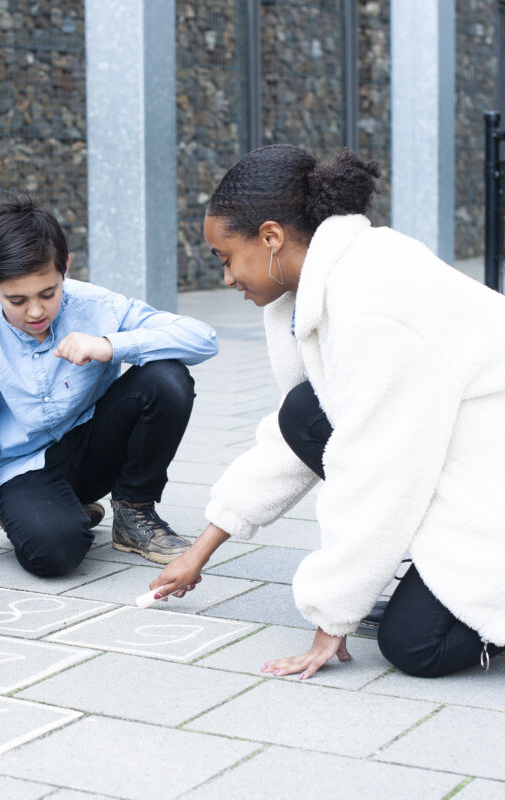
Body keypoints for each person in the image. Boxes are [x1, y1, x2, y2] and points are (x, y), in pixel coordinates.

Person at [150, 144, 505, 679]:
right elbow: (295, 438)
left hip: (488, 476)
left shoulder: (371, 305)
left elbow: (379, 470)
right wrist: (200, 551)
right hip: (461, 456)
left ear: (271, 237)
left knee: (415, 646)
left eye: (225, 258)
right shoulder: (323, 284)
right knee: (303, 412)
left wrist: (331, 618)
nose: (225, 278)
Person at [0, 193, 219, 577]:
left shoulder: (97, 305)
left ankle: (133, 512)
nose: (36, 311)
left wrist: (111, 345)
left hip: (94, 445)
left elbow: (203, 339)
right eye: (17, 300)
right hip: (25, 467)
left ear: (65, 269)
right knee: (54, 554)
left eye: (48, 293)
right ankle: (57, 510)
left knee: (166, 377)